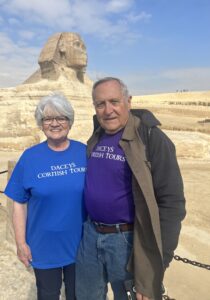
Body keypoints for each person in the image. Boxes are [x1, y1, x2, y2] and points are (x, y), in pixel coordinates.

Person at [75, 77, 186, 300]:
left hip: (126, 241)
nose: (108, 110)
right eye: (100, 104)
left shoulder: (152, 139)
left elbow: (172, 204)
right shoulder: (95, 137)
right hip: (90, 235)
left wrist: (155, 266)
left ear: (129, 101)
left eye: (114, 101)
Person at [4, 93, 87, 300]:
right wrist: (21, 243)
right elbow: (19, 204)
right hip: (43, 246)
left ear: (70, 121)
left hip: (81, 246)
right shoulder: (30, 157)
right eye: (48, 119)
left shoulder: (84, 153)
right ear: (41, 124)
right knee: (48, 295)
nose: (55, 123)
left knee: (79, 295)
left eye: (61, 118)